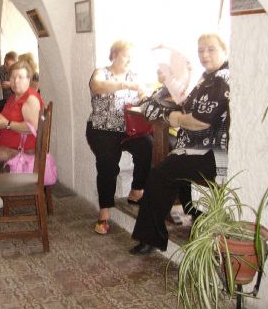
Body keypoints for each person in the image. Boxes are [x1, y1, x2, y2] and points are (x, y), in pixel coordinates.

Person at [130, 33, 229, 255]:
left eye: (211, 49)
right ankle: (194, 216)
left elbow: (199, 123)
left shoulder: (222, 80)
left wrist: (173, 118)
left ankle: (151, 238)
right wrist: (175, 112)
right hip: (195, 149)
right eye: (201, 50)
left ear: (225, 50)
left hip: (212, 153)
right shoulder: (207, 78)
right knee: (173, 167)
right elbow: (186, 106)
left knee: (160, 174)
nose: (205, 54)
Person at [86, 40, 152, 235]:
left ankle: (136, 190)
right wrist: (126, 85)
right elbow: (97, 86)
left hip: (128, 130)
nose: (129, 59)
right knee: (108, 164)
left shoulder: (135, 76)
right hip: (101, 129)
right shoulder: (101, 72)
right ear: (114, 55)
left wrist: (144, 94)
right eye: (126, 55)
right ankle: (104, 212)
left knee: (148, 145)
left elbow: (143, 98)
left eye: (132, 56)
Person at [0, 60, 43, 175]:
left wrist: (7, 124)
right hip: (9, 145)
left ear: (28, 80)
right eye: (13, 77)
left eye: (20, 77)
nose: (16, 81)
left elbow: (32, 128)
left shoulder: (30, 99)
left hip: (23, 151)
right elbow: (6, 119)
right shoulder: (14, 97)